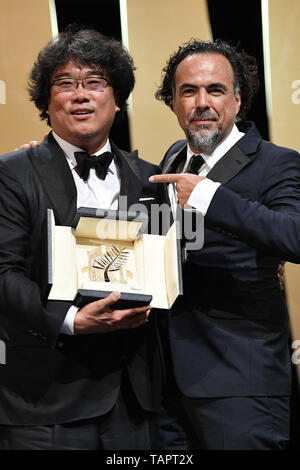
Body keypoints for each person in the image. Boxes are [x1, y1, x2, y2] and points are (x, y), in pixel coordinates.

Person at [0, 26, 169, 450]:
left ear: (117, 100)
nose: (81, 94)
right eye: (65, 84)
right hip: (46, 403)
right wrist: (71, 321)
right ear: (46, 101)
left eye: (95, 82)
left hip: (134, 404)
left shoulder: (151, 179)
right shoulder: (12, 173)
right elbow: (4, 271)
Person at [149, 39, 300, 450]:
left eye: (215, 90)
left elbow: (294, 235)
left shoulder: (278, 162)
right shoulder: (172, 159)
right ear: (173, 102)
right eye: (188, 91)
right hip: (164, 382)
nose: (202, 102)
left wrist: (208, 197)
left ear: (237, 99)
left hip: (241, 382)